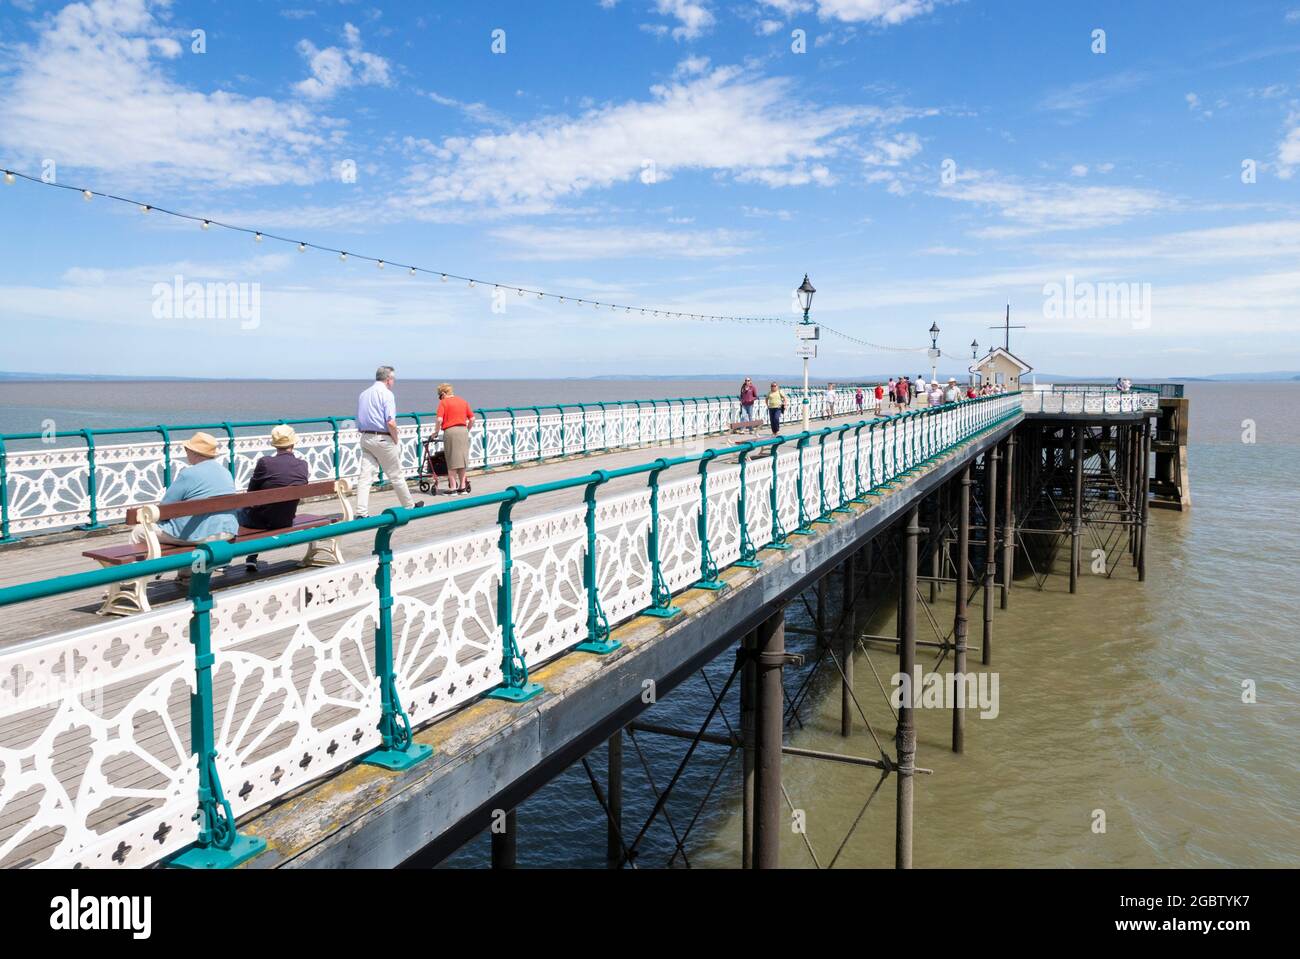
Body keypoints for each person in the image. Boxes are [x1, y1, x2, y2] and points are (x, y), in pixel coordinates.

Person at [130, 432, 238, 577]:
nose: (186, 453)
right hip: (227, 531)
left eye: (187, 450)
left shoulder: (188, 474)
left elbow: (164, 509)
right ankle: (186, 575)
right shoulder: (225, 472)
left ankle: (132, 578)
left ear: (195, 452)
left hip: (201, 535)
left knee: (139, 531)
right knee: (191, 525)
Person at [238, 424, 310, 570]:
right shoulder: (303, 465)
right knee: (265, 510)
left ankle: (225, 561)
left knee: (233, 513)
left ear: (275, 444)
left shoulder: (265, 462)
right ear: (293, 443)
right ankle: (251, 557)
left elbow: (251, 493)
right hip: (285, 520)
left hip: (260, 522)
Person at [355, 365, 423, 517]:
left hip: (366, 437)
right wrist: (395, 439)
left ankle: (361, 512)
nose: (393, 382)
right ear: (388, 379)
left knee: (365, 477)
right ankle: (409, 506)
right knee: (396, 475)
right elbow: (390, 422)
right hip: (383, 438)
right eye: (393, 379)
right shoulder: (387, 394)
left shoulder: (364, 394)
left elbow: (359, 420)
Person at [435, 382, 475, 494]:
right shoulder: (463, 401)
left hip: (450, 431)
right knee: (462, 460)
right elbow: (472, 419)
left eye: (439, 396)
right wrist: (467, 430)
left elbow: (439, 420)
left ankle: (453, 488)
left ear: (443, 393)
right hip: (463, 431)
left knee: (451, 460)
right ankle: (462, 487)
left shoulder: (444, 403)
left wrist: (436, 432)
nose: (439, 398)